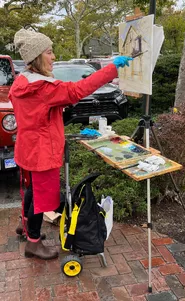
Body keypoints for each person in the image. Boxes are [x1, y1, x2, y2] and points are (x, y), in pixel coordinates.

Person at [9, 28, 132, 260]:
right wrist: (112, 68)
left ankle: (24, 226)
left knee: (33, 191)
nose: (54, 56)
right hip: (43, 150)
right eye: (49, 52)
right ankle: (33, 242)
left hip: (28, 147)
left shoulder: (22, 82)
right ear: (36, 57)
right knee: (43, 198)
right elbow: (77, 91)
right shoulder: (43, 88)